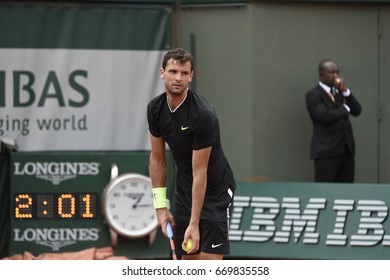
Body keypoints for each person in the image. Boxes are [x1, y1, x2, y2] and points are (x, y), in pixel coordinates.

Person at [147, 48, 236, 260]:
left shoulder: (203, 115)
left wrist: (194, 223)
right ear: (162, 73)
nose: (178, 78)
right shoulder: (155, 109)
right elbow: (157, 159)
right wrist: (161, 208)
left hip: (215, 191)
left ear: (191, 76)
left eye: (184, 73)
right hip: (186, 190)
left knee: (207, 265)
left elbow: (200, 171)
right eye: (173, 71)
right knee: (187, 262)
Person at [305, 59, 362, 183]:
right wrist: (346, 108)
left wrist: (346, 91)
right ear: (321, 74)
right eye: (331, 72)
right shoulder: (314, 95)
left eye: (337, 72)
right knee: (324, 189)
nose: (335, 75)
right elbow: (325, 116)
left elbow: (357, 111)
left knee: (346, 190)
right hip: (327, 151)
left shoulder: (339, 92)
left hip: (346, 150)